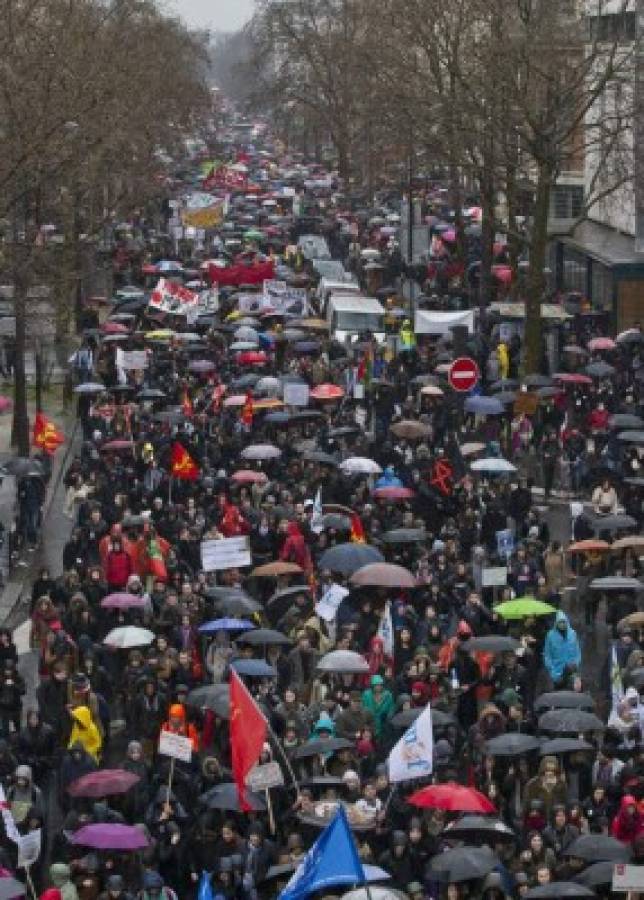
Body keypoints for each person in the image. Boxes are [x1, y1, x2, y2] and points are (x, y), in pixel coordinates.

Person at [543, 611, 581, 690]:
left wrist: (576, 665)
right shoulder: (550, 636)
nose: (562, 624)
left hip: (571, 672)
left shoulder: (572, 634)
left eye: (564, 622)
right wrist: (553, 672)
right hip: (557, 673)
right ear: (556, 623)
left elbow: (577, 652)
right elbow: (547, 655)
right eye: (560, 622)